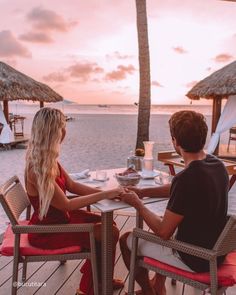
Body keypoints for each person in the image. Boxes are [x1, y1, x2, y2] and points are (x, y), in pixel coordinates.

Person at [120, 110, 229, 295]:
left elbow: (163, 232)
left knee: (126, 240)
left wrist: (137, 203)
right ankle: (157, 285)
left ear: (175, 141)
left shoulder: (187, 178)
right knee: (173, 221)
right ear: (203, 137)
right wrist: (143, 192)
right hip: (217, 250)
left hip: (195, 257)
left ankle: (149, 292)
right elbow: (180, 191)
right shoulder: (217, 165)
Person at [25, 107, 124, 295]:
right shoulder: (38, 168)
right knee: (108, 232)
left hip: (62, 220)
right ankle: (88, 289)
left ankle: (100, 279)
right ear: (54, 131)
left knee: (108, 224)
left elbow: (72, 185)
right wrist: (104, 195)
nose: (65, 131)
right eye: (63, 127)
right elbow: (66, 204)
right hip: (47, 232)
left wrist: (108, 192)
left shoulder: (48, 159)